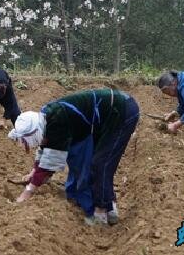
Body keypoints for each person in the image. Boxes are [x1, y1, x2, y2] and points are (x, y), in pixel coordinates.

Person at [8, 88, 139, 226]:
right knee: (98, 162)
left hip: (121, 110)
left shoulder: (58, 122)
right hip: (108, 114)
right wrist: (34, 171)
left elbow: (49, 165)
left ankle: (101, 213)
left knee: (101, 164)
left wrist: (28, 191)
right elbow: (44, 148)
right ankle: (110, 207)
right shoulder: (46, 118)